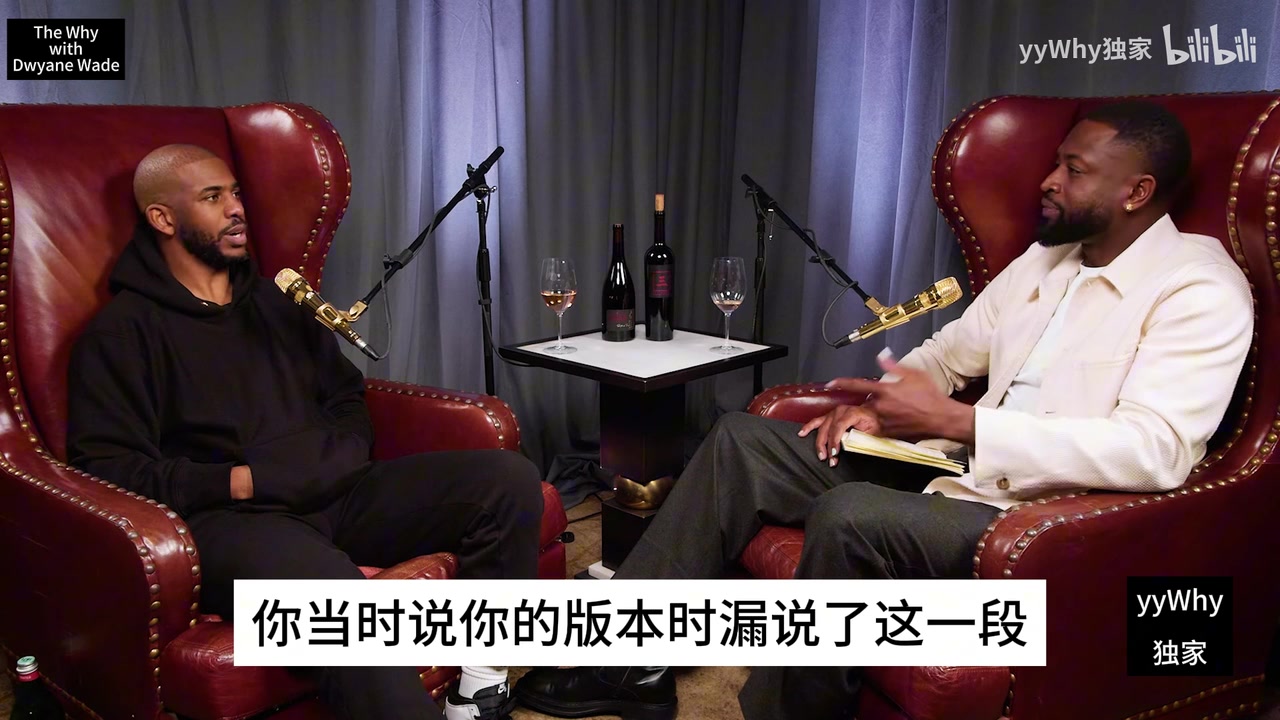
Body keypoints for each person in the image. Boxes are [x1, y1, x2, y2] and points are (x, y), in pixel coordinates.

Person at [514, 101, 1253, 719]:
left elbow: (1155, 452)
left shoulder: (1198, 289)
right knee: (742, 439)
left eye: (1074, 170)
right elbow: (949, 353)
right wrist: (881, 407)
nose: (1048, 181)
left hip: (1040, 517)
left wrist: (960, 422)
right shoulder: (1048, 259)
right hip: (954, 470)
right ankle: (630, 664)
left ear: (1137, 191)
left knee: (851, 514)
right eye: (1055, 162)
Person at [65, 144, 543, 720]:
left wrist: (342, 454)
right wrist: (240, 481)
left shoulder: (276, 300)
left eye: (235, 193)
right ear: (163, 218)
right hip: (237, 522)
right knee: (340, 608)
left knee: (506, 480)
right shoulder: (122, 333)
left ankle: (478, 692)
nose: (236, 208)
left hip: (338, 490)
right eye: (212, 198)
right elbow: (109, 470)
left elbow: (346, 395)